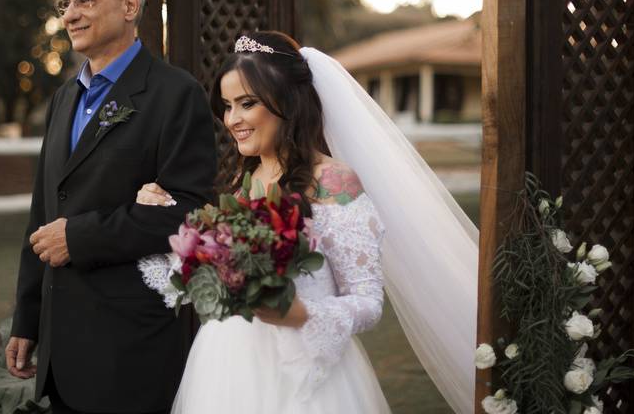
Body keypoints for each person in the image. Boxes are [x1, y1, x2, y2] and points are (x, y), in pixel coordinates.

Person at [137, 31, 480, 414]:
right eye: (227, 106)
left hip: (304, 377)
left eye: (246, 104)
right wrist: (176, 227)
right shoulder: (239, 185)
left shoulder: (334, 182)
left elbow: (368, 302)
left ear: (287, 101)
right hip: (225, 368)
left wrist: (303, 313)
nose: (232, 120)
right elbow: (210, 279)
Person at [6, 0, 217, 414]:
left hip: (131, 344)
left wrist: (80, 237)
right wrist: (27, 317)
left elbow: (193, 212)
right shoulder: (63, 99)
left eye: (84, 0)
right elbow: (43, 212)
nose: (70, 14)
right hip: (62, 347)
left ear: (129, 6)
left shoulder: (175, 94)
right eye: (64, 5)